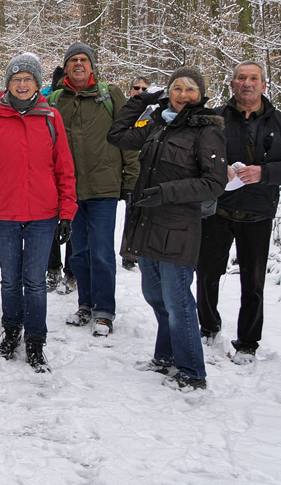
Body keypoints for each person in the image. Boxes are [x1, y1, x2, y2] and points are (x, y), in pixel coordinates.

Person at [107, 66, 227, 391]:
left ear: (200, 94)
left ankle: (192, 372)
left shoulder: (207, 130)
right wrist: (141, 100)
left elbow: (214, 183)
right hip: (147, 224)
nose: (183, 95)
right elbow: (116, 135)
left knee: (178, 302)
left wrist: (166, 193)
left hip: (178, 228)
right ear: (168, 93)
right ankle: (165, 357)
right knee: (154, 295)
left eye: (190, 90)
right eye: (177, 88)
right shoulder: (157, 122)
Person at [196, 61, 281, 363]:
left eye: (253, 78)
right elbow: (192, 157)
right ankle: (208, 327)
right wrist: (216, 169)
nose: (247, 83)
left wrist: (265, 173)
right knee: (207, 273)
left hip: (258, 213)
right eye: (241, 78)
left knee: (254, 282)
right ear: (232, 85)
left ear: (264, 85)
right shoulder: (214, 119)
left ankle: (247, 343)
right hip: (217, 210)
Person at [0, 53, 77, 373]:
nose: (22, 84)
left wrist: (67, 212)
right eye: (16, 79)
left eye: (28, 79)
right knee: (11, 281)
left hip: (43, 214)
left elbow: (65, 169)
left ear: (37, 84)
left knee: (35, 281)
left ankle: (36, 340)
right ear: (8, 84)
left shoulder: (50, 118)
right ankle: (12, 331)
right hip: (2, 214)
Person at [50, 42, 139, 337]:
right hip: (70, 190)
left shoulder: (109, 95)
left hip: (103, 187)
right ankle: (85, 304)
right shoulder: (55, 99)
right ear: (65, 66)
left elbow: (128, 139)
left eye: (83, 60)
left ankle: (104, 309)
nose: (78, 64)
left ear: (91, 66)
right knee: (78, 253)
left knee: (101, 252)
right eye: (72, 60)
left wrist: (130, 181)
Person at [119, 76, 154, 271]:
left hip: (149, 170)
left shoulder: (155, 114)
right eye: (137, 88)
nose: (140, 91)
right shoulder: (123, 113)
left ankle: (145, 251)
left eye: (144, 88)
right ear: (130, 90)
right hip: (130, 171)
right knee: (131, 213)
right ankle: (129, 253)